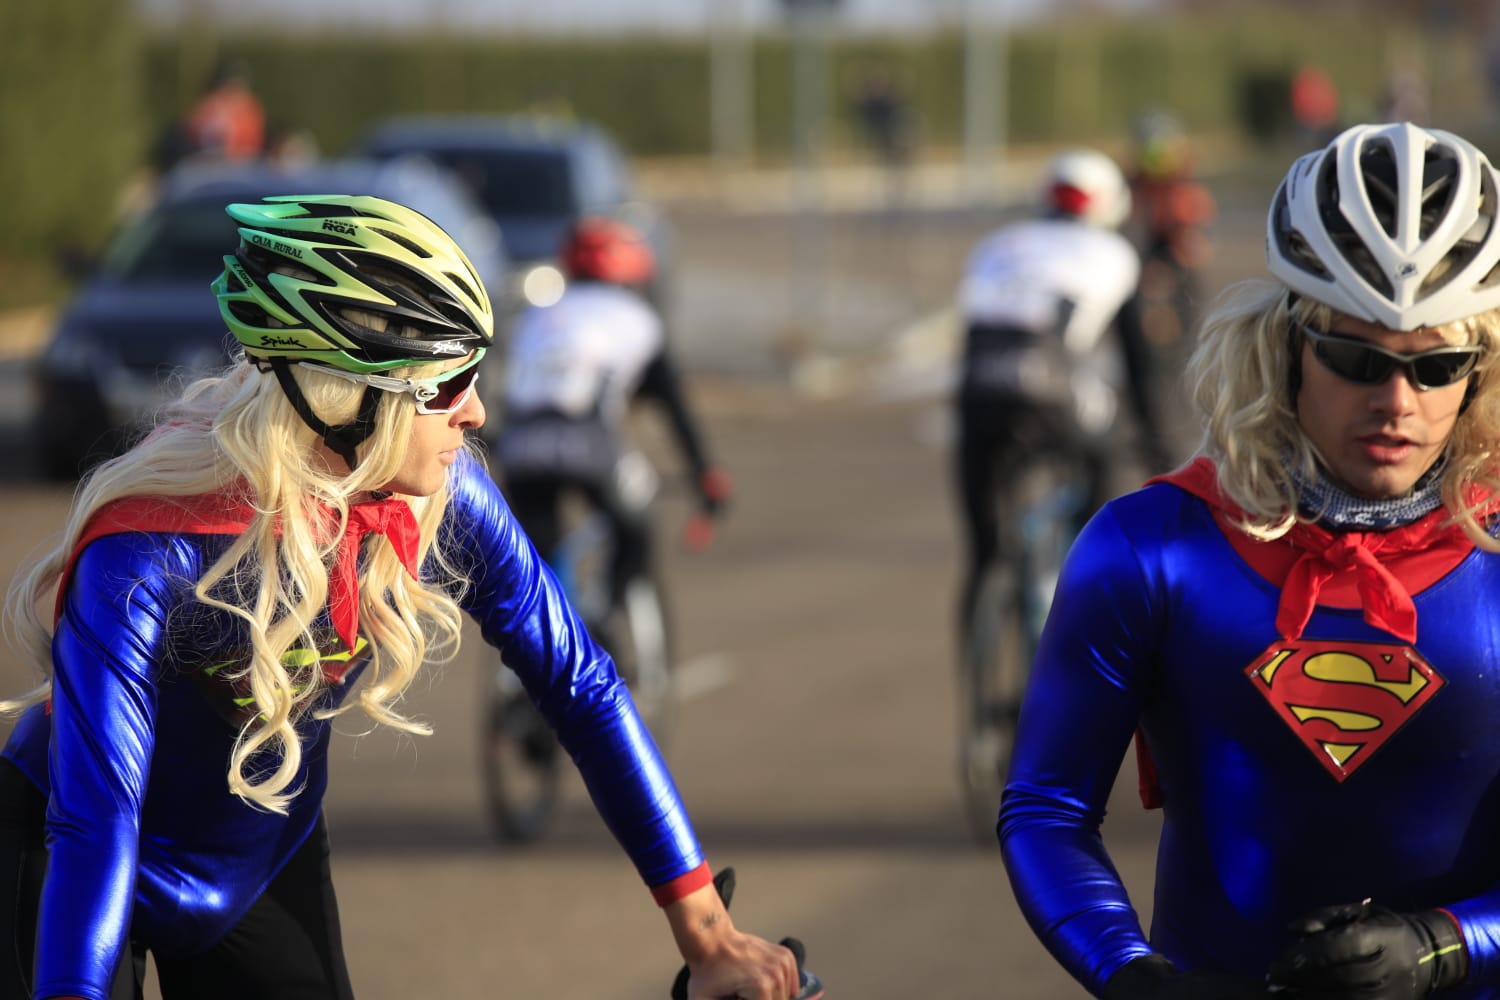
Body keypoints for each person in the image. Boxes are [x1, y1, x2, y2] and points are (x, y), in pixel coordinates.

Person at [0, 194, 802, 1000]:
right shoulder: (147, 551)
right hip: (63, 856)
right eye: (448, 384)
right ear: (346, 400)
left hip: (259, 861)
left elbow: (579, 685)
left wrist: (708, 937)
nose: (477, 411)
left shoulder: (441, 496)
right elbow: (96, 826)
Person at [999, 120, 1500, 1000]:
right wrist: (1136, 978)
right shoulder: (1151, 548)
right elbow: (1047, 809)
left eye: (1437, 365)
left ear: (1481, 372)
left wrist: (1444, 944)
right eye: (1356, 355)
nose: (1395, 401)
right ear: (1288, 345)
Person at [953, 147, 1168, 640]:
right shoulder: (1115, 255)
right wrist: (1157, 443)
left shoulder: (995, 245)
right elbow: (1139, 368)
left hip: (979, 396)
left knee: (985, 555)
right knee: (1106, 458)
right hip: (1054, 396)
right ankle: (1087, 588)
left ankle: (977, 679)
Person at [496, 216, 732, 614]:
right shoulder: (635, 319)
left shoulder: (537, 315)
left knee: (542, 555)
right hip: (586, 442)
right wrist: (703, 474)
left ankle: (542, 637)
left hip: (518, 444)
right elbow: (671, 406)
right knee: (634, 531)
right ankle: (604, 619)